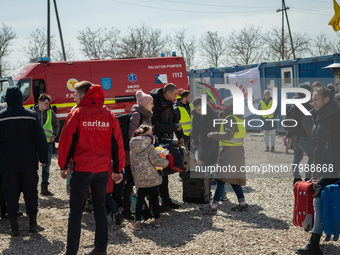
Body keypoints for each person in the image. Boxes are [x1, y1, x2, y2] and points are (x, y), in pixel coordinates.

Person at [58, 81, 125, 255]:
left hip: (82, 170)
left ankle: (71, 251)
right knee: (100, 208)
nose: (74, 98)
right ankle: (101, 249)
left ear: (82, 95)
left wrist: (63, 166)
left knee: (76, 211)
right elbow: (117, 143)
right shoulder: (109, 115)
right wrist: (118, 170)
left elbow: (66, 141)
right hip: (102, 170)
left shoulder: (77, 113)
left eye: (75, 95)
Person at [296, 84, 340, 255]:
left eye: (315, 100)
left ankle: (314, 242)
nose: (312, 102)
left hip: (334, 167)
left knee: (319, 198)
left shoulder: (334, 116)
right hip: (327, 166)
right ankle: (315, 240)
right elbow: (320, 146)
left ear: (326, 100)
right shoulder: (322, 115)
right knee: (321, 198)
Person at [0, 87, 48, 236]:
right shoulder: (31, 115)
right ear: (21, 98)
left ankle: (14, 227)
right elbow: (40, 140)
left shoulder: (1, 117)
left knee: (11, 193)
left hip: (7, 164)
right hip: (28, 162)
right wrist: (44, 159)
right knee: (30, 192)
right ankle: (33, 225)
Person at [203, 96, 248, 213]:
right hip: (238, 151)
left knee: (221, 178)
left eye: (223, 105)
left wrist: (214, 134)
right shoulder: (238, 117)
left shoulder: (230, 118)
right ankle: (242, 203)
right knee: (233, 177)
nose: (221, 106)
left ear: (229, 106)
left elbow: (228, 135)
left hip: (228, 151)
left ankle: (213, 206)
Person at [122, 90, 154, 219]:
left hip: (139, 154)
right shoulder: (137, 115)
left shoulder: (146, 115)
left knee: (140, 182)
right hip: (131, 156)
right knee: (130, 182)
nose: (153, 105)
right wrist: (150, 138)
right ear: (145, 104)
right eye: (151, 103)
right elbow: (132, 135)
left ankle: (144, 210)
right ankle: (126, 210)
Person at [129, 125, 169, 231]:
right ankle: (157, 220)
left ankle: (137, 222)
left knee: (140, 199)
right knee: (154, 198)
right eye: (150, 133)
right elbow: (155, 161)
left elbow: (132, 164)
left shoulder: (132, 146)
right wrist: (166, 162)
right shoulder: (150, 146)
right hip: (151, 175)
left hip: (139, 176)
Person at [150, 83, 182, 210]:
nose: (176, 97)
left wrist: (179, 136)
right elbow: (155, 126)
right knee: (157, 172)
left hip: (166, 141)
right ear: (167, 93)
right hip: (156, 142)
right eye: (174, 94)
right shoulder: (155, 104)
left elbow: (175, 121)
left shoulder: (170, 103)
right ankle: (156, 203)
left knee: (164, 172)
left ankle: (166, 200)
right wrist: (174, 128)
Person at [34, 93, 60, 196]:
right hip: (35, 144)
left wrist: (54, 135)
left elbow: (57, 125)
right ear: (39, 102)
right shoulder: (32, 113)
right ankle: (33, 189)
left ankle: (44, 188)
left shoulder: (50, 113)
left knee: (46, 166)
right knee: (33, 167)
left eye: (48, 104)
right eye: (45, 103)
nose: (47, 106)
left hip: (47, 144)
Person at [288, 84, 314, 185]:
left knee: (297, 157)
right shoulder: (306, 104)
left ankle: (296, 179)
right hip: (303, 135)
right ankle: (308, 178)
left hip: (294, 135)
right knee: (312, 156)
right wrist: (310, 134)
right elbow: (306, 122)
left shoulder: (294, 102)